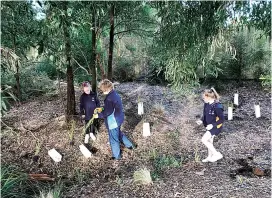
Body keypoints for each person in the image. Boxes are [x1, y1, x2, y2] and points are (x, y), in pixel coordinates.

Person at [94, 79, 135, 160]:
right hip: (119, 118)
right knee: (119, 134)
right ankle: (130, 146)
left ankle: (117, 156)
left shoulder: (109, 98)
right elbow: (110, 108)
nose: (102, 92)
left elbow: (107, 113)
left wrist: (98, 115)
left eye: (102, 90)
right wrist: (102, 108)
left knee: (113, 139)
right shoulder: (114, 94)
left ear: (106, 89)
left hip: (113, 121)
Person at [196, 87, 224, 162]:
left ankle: (217, 154)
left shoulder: (218, 106)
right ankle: (209, 157)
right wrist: (201, 120)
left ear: (208, 97)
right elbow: (204, 114)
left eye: (204, 97)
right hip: (209, 125)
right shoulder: (206, 104)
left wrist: (212, 125)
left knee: (204, 139)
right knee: (209, 141)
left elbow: (222, 119)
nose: (203, 99)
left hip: (216, 126)